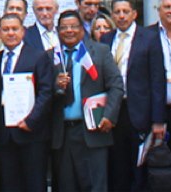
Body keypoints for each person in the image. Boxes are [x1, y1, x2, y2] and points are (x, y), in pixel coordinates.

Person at [125, 0, 171, 188]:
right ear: (158, 10)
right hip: (156, 114)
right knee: (156, 170)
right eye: (167, 7)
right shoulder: (144, 36)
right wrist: (156, 118)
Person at [47, 10, 122, 192]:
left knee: (95, 186)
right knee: (65, 186)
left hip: (93, 131)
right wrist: (55, 86)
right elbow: (41, 93)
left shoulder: (100, 52)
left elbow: (116, 86)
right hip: (62, 134)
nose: (69, 31)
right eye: (64, 27)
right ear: (58, 31)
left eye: (73, 26)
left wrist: (109, 115)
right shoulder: (50, 57)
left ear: (82, 29)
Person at [0, 12, 56, 192]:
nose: (10, 33)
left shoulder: (38, 57)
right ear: (0, 32)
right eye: (6, 29)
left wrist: (31, 120)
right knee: (9, 184)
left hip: (32, 132)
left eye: (14, 29)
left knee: (34, 183)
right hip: (5, 134)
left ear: (23, 32)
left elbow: (46, 92)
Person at [103, 0, 140, 192]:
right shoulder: (106, 39)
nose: (122, 16)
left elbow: (156, 79)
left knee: (138, 168)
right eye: (117, 12)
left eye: (126, 12)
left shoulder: (147, 38)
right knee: (117, 167)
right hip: (113, 110)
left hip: (137, 110)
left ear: (134, 14)